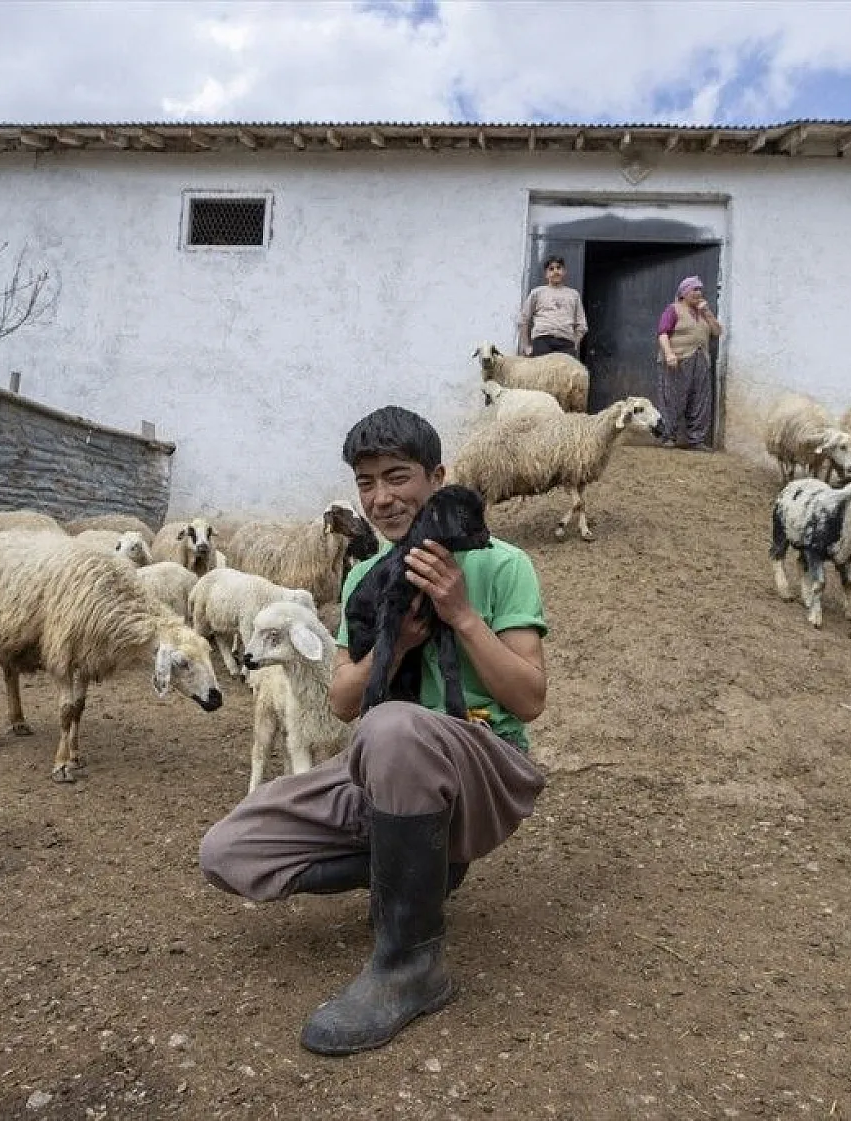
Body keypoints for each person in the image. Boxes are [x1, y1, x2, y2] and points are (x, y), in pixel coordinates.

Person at [199, 405, 550, 1056]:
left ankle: (410, 965)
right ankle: (424, 868)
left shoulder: (502, 564)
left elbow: (530, 699)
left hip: (485, 765)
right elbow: (339, 700)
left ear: (436, 476)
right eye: (366, 483)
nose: (382, 497)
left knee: (389, 726)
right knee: (228, 851)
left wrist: (461, 614)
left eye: (397, 476)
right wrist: (391, 649)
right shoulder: (363, 575)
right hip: (386, 764)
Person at [655, 276, 722, 449]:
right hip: (677, 360)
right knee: (672, 398)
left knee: (700, 400)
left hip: (700, 360)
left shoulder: (703, 313)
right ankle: (668, 436)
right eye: (694, 290)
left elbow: (717, 332)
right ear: (684, 293)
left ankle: (696, 440)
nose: (698, 293)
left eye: (700, 290)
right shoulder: (673, 310)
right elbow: (663, 333)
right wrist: (669, 353)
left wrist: (707, 312)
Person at [515, 256, 587, 358]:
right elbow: (523, 320)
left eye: (558, 268)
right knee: (542, 373)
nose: (555, 271)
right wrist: (526, 346)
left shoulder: (573, 295)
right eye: (551, 269)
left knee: (565, 374)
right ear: (546, 274)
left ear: (564, 271)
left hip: (566, 343)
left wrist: (574, 344)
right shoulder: (537, 293)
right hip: (542, 341)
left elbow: (582, 325)